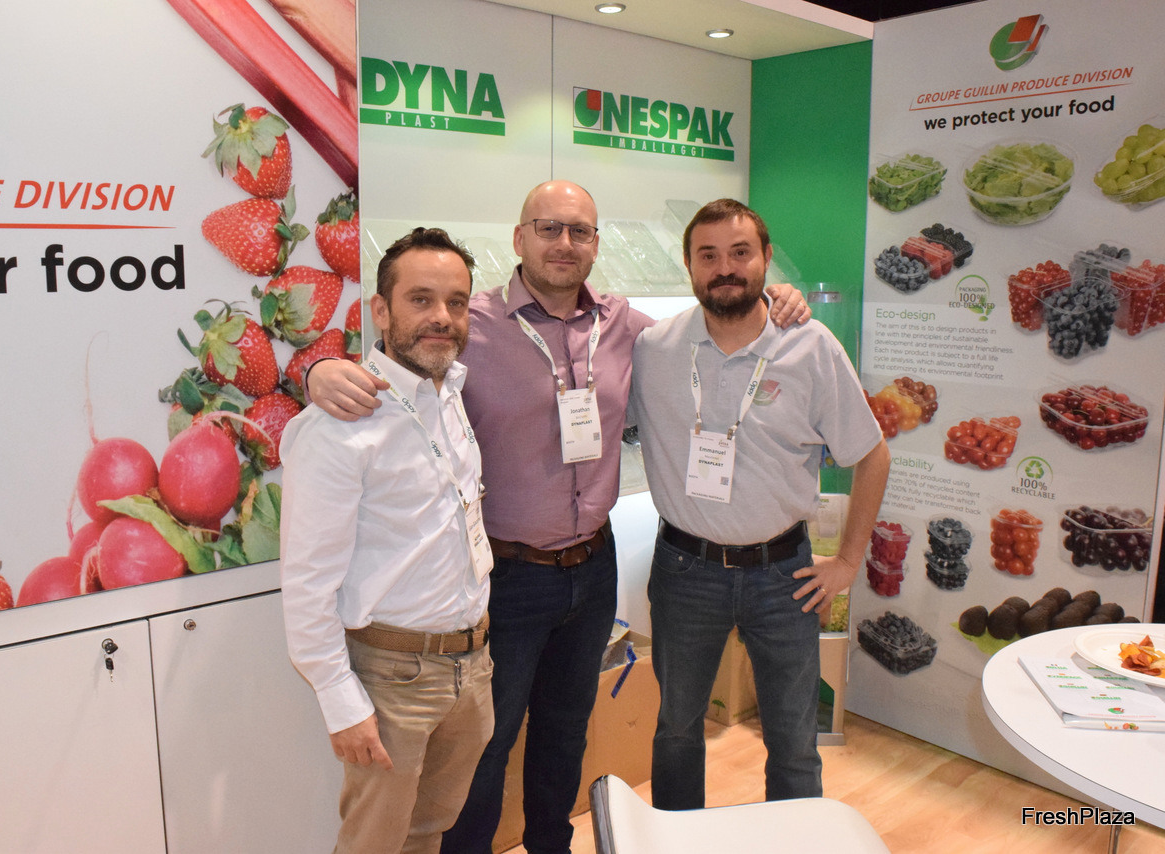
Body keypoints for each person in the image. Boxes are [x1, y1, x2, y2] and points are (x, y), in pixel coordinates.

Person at [305, 181, 810, 854]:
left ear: (596, 244)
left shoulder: (628, 326)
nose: (564, 243)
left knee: (566, 731)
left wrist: (776, 298)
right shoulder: (468, 322)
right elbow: (391, 361)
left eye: (579, 231)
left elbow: (715, 321)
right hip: (505, 577)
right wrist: (317, 370)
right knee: (486, 746)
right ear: (519, 239)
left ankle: (551, 845)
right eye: (548, 228)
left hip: (593, 569)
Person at [628, 199, 890, 811]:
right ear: (689, 266)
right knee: (676, 730)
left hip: (784, 576)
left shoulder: (811, 346)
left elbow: (872, 455)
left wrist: (847, 563)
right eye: (708, 255)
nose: (725, 268)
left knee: (795, 742)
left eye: (740, 253)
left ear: (766, 259)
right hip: (685, 572)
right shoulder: (654, 348)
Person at [279, 226, 495, 854]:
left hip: (470, 665)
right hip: (393, 678)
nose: (442, 317)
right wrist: (339, 700)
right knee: (373, 844)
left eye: (456, 302)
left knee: (428, 834)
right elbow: (307, 582)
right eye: (420, 299)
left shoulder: (448, 394)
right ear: (381, 310)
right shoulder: (340, 424)